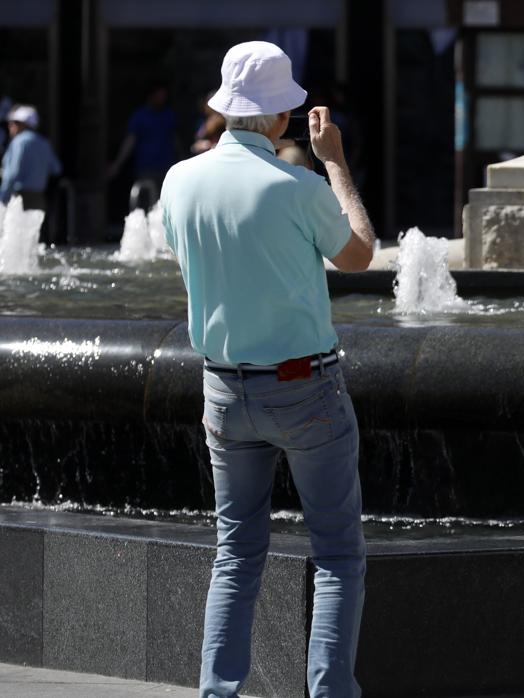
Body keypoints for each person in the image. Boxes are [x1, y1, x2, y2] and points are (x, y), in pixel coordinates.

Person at [160, 41, 376, 698]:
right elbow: (361, 255)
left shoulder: (178, 180)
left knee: (237, 552)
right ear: (281, 118)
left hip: (224, 387)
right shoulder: (298, 186)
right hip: (304, 386)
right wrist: (335, 163)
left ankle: (216, 693)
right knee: (337, 553)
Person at [108, 82, 180, 198]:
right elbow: (130, 141)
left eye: (164, 96)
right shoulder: (139, 116)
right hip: (146, 169)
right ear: (151, 96)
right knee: (146, 203)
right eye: (159, 96)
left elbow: (174, 139)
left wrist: (181, 158)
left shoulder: (169, 114)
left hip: (166, 167)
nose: (162, 99)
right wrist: (117, 164)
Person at [0, 104, 62, 211]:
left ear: (22, 124)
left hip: (18, 198)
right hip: (38, 199)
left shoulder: (19, 142)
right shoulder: (44, 143)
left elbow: (12, 173)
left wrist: (2, 199)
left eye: (13, 123)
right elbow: (56, 168)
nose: (10, 126)